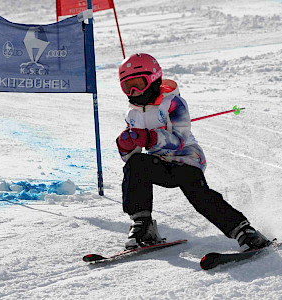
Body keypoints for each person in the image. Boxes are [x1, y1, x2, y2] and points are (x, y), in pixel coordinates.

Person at [116, 53, 271, 251]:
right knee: (135, 165)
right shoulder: (132, 113)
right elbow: (131, 157)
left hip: (186, 161)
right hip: (160, 164)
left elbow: (180, 140)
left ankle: (244, 231)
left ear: (154, 79)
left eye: (139, 83)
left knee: (198, 194)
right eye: (128, 87)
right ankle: (143, 226)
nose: (135, 91)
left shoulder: (173, 103)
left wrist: (150, 137)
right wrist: (126, 145)